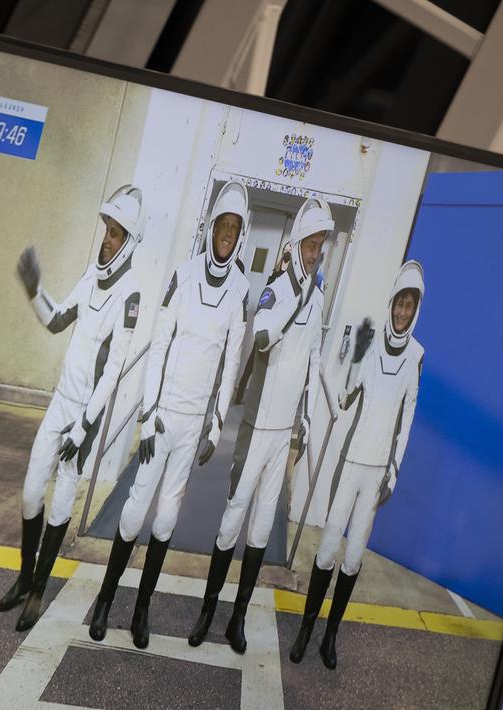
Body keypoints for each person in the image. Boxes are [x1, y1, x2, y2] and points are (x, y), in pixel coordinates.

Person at [87, 181, 253, 649]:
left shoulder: (241, 291)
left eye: (234, 228)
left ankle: (142, 609)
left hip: (193, 425)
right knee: (135, 509)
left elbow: (231, 364)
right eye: (222, 224)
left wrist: (216, 425)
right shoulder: (183, 274)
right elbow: (160, 343)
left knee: (166, 520)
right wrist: (150, 409)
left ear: (241, 236)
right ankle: (104, 599)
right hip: (162, 419)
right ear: (212, 227)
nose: (227, 233)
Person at [188, 197, 333, 652]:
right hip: (254, 427)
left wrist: (306, 419)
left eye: (320, 246)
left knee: (260, 529)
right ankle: (206, 611)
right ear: (297, 244)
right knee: (232, 521)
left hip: (282, 433)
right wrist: (298, 299)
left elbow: (313, 360)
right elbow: (264, 338)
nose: (314, 254)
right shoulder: (275, 291)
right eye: (310, 245)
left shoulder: (319, 297)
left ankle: (237, 618)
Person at [1, 185, 144, 632]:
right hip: (61, 401)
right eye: (107, 230)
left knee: (61, 503)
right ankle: (25, 577)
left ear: (130, 242)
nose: (107, 239)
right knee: (29, 493)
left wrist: (83, 428)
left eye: (117, 234)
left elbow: (115, 368)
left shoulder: (131, 295)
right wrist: (34, 289)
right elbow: (58, 320)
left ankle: (40, 588)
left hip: (85, 416)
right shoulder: (91, 274)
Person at [289, 260, 424, 669]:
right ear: (391, 304)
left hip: (376, 474)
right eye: (399, 304)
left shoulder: (416, 355)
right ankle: (306, 630)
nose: (402, 313)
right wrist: (348, 354)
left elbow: (408, 417)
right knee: (328, 548)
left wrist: (394, 472)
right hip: (350, 464)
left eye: (409, 307)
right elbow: (345, 396)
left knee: (352, 559)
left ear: (416, 311)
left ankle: (330, 636)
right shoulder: (370, 341)